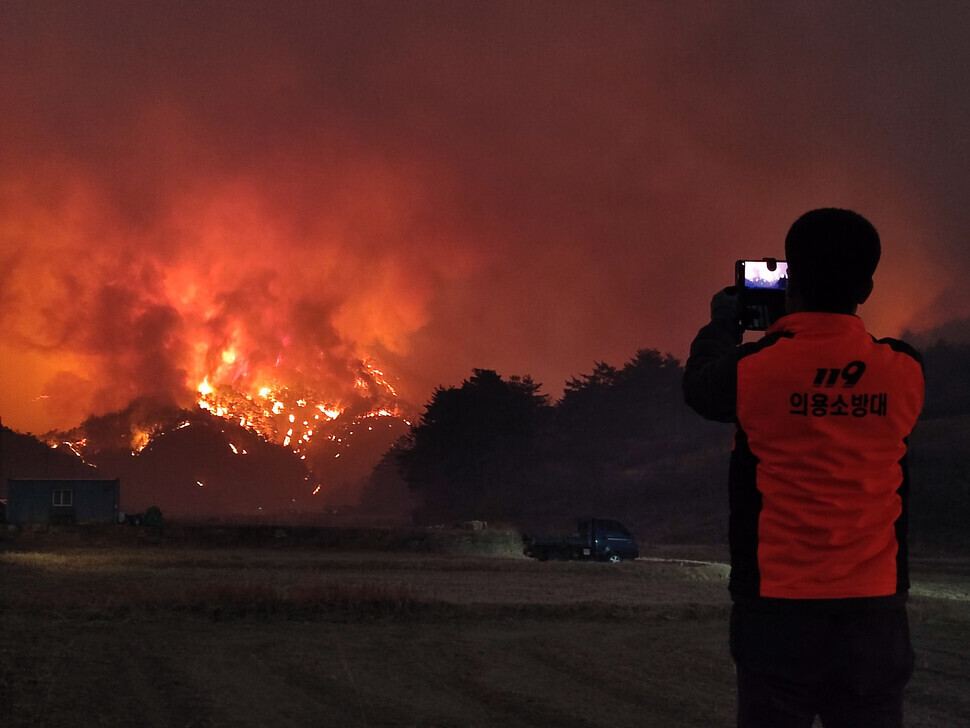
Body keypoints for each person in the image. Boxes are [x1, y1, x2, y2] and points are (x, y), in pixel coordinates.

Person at [682, 208, 924, 728]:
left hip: (777, 609)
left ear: (790, 279)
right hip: (875, 613)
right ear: (868, 286)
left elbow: (700, 385)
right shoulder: (906, 371)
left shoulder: (755, 370)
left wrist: (725, 319)